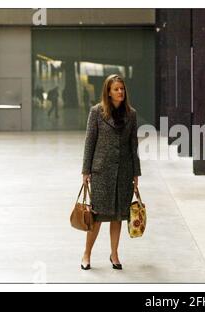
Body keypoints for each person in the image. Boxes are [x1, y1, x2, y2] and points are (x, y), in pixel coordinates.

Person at [80, 74, 141, 271]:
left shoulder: (131, 114)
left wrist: (135, 173)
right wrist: (86, 170)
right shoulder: (96, 112)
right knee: (96, 216)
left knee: (118, 216)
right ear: (108, 91)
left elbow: (134, 146)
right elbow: (90, 142)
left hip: (124, 172)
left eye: (122, 88)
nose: (120, 92)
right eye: (116, 89)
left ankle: (114, 254)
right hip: (101, 172)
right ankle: (87, 253)